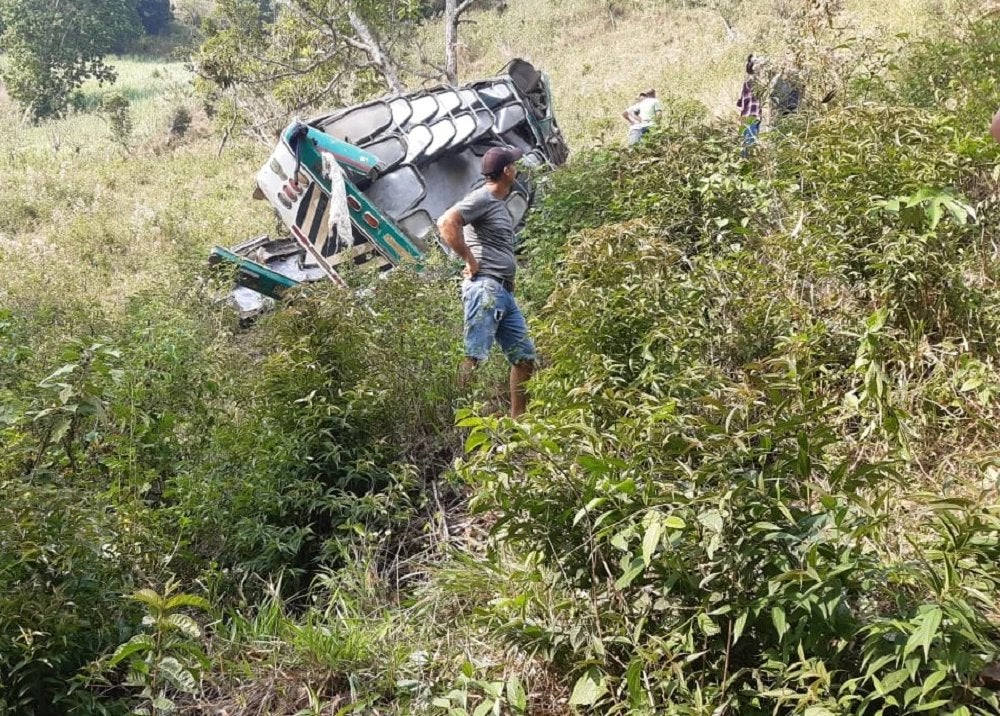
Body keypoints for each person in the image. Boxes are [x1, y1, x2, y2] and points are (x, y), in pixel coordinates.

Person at [437, 146, 537, 418]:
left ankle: (520, 423)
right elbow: (447, 222)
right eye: (513, 166)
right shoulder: (482, 198)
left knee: (525, 359)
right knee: (474, 356)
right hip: (485, 288)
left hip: (503, 292)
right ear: (506, 171)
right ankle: (458, 422)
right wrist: (469, 260)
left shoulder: (498, 205)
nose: (516, 169)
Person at [737, 55, 762, 153]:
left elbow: (742, 101)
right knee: (749, 142)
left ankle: (745, 162)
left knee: (748, 141)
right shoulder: (754, 81)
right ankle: (745, 163)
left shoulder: (748, 80)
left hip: (749, 115)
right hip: (752, 115)